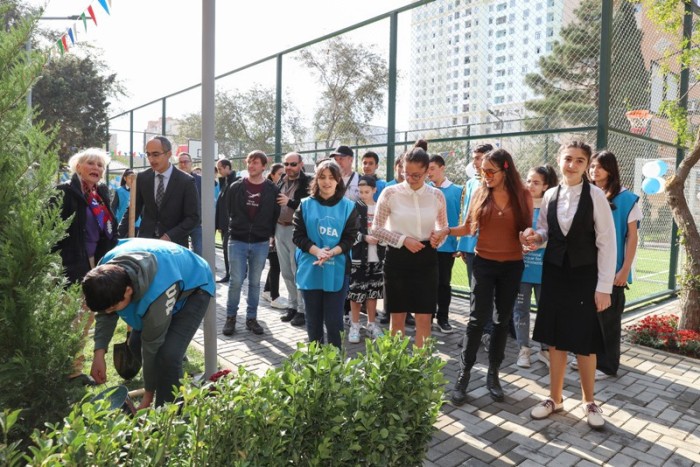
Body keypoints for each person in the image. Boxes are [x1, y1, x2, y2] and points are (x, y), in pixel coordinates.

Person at [522, 141, 616, 429]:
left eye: (579, 160)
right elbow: (545, 232)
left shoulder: (596, 196)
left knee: (585, 340)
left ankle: (590, 401)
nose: (572, 165)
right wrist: (534, 238)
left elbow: (607, 241)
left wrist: (603, 287)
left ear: (587, 165)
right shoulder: (550, 194)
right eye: (568, 159)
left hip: (584, 275)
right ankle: (555, 398)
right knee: (555, 337)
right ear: (559, 160)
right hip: (554, 273)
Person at [434, 148, 532, 405]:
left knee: (501, 321)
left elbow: (527, 228)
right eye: (482, 171)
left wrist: (527, 237)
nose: (485, 176)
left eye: (490, 171)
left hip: (512, 266)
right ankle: (463, 376)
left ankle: (493, 375)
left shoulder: (522, 195)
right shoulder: (479, 193)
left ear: (506, 169)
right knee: (477, 320)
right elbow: (468, 227)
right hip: (484, 264)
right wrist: (445, 231)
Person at [83, 238, 215, 408]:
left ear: (128, 290)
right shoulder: (104, 269)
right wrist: (99, 354)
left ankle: (169, 414)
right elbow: (104, 313)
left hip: (195, 285)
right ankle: (165, 387)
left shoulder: (158, 293)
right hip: (165, 275)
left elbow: (152, 347)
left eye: (114, 308)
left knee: (169, 355)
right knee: (136, 343)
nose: (110, 312)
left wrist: (147, 396)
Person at [373, 146, 448, 348]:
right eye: (406, 173)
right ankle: (396, 368)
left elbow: (444, 227)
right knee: (397, 318)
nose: (410, 178)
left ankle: (420, 368)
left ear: (427, 172)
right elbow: (376, 228)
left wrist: (437, 238)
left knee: (424, 318)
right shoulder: (390, 193)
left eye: (416, 175)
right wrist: (403, 240)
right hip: (397, 259)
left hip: (427, 259)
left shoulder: (437, 195)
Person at [55, 148, 119, 384]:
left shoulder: (101, 194)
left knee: (86, 318)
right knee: (74, 318)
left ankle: (73, 366)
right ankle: (71, 370)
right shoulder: (65, 193)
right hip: (72, 264)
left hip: (96, 263)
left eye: (100, 165)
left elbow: (109, 228)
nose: (96, 168)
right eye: (90, 163)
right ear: (77, 167)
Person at [293, 160, 359, 348]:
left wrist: (331, 253)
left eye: (331, 177)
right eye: (322, 177)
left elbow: (350, 238)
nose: (327, 182)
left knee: (333, 320)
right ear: (316, 180)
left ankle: (335, 363)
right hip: (310, 267)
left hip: (336, 268)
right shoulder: (305, 205)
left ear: (338, 181)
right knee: (313, 320)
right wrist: (317, 251)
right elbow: (298, 236)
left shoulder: (348, 207)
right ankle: (316, 363)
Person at [589, 150, 641, 380]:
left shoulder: (627, 198)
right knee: (589, 317)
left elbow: (632, 237)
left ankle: (607, 366)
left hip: (613, 270)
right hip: (588, 267)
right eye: (591, 166)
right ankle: (589, 358)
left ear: (611, 169)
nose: (594, 170)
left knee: (608, 320)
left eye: (599, 166)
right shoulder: (588, 194)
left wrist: (625, 269)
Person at [222, 151, 280, 336]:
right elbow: (229, 210)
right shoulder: (236, 186)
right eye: (249, 162)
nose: (251, 166)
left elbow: (275, 213)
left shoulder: (272, 189)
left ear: (264, 166)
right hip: (237, 240)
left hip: (260, 242)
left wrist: (269, 234)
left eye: (255, 163)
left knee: (255, 283)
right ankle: (230, 317)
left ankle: (251, 319)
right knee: (236, 281)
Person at [513, 165, 558, 368]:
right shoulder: (520, 204)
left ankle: (545, 350)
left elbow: (556, 234)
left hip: (544, 269)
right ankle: (524, 349)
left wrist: (537, 242)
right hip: (521, 269)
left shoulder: (553, 205)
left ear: (546, 185)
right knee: (520, 309)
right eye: (528, 180)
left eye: (536, 182)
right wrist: (519, 243)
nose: (530, 185)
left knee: (545, 310)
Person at [117, 136, 200, 248]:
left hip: (174, 246)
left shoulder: (186, 181)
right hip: (146, 244)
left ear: (169, 154)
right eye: (148, 154)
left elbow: (193, 218)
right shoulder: (142, 178)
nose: (151, 159)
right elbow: (133, 210)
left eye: (155, 154)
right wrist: (117, 236)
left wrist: (169, 236)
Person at [457, 144, 493, 351]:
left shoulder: (497, 183)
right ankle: (475, 331)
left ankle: (488, 332)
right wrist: (463, 244)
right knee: (474, 290)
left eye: (479, 158)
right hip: (470, 246)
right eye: (474, 158)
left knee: (487, 291)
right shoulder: (471, 183)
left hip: (489, 247)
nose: (476, 162)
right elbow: (466, 214)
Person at [427, 154, 464, 334]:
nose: (429, 173)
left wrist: (458, 244)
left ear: (443, 168)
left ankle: (443, 318)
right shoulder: (425, 190)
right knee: (427, 283)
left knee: (443, 283)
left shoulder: (458, 191)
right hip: (426, 245)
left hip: (447, 246)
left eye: (432, 168)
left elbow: (463, 219)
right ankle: (427, 316)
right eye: (427, 169)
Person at [275, 152, 312, 327]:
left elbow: (309, 207)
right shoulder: (281, 180)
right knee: (286, 271)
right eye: (286, 164)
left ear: (301, 164)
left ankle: (302, 310)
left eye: (293, 164)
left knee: (297, 269)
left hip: (295, 230)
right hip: (279, 228)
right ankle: (292, 305)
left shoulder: (307, 182)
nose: (289, 168)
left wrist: (289, 202)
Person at [348, 176, 385, 343]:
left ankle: (371, 324)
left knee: (373, 292)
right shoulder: (354, 207)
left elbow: (388, 230)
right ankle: (355, 325)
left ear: (374, 190)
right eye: (360, 191)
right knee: (356, 293)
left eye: (367, 191)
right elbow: (348, 232)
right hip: (358, 258)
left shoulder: (381, 208)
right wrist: (364, 237)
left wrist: (381, 239)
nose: (363, 195)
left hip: (377, 258)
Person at [262, 163, 286, 309]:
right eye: (280, 174)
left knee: (275, 263)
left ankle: (267, 290)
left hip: (277, 232)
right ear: (272, 175)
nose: (283, 177)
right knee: (276, 264)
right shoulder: (270, 190)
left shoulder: (282, 189)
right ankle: (275, 297)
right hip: (271, 233)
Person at [215, 158, 237, 283]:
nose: (218, 172)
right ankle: (230, 273)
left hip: (231, 224)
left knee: (228, 249)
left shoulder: (235, 182)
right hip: (224, 224)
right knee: (225, 249)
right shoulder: (225, 182)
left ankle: (232, 274)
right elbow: (221, 204)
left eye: (220, 169)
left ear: (228, 168)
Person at [177, 152, 203, 256]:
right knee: (181, 254)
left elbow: (204, 200)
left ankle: (197, 272)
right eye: (181, 162)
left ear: (191, 163)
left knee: (198, 253)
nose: (183, 164)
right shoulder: (173, 180)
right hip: (179, 223)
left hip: (196, 223)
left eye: (186, 162)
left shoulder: (200, 180)